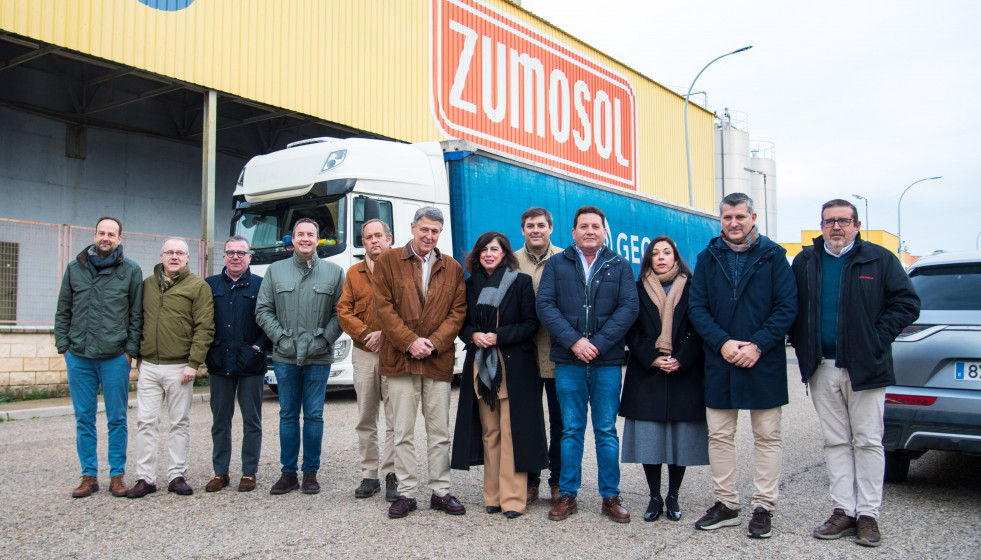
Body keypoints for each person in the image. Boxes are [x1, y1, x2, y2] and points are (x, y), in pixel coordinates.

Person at [790, 199, 920, 548]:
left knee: (867, 441)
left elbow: (907, 303)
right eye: (829, 221)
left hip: (866, 366)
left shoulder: (879, 259)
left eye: (843, 221)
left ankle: (868, 515)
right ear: (821, 225)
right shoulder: (806, 261)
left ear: (856, 225)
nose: (836, 227)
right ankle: (843, 510)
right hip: (822, 366)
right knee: (835, 442)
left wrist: (876, 338)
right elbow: (791, 306)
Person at [688, 192, 797, 538]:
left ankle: (764, 506)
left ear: (753, 217)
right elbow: (697, 308)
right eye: (727, 218)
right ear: (720, 220)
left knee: (767, 436)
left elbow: (786, 307)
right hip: (721, 359)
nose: (733, 223)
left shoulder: (774, 256)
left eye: (740, 217)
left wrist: (759, 345)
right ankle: (727, 504)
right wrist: (722, 342)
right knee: (720, 436)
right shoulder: (708, 258)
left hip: (762, 360)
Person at [536, 205, 638, 523]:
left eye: (596, 225)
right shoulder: (556, 264)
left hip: (606, 362)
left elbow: (628, 307)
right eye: (584, 226)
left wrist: (598, 344)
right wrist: (575, 342)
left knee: (606, 430)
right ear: (573, 232)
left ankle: (610, 497)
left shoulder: (619, 265)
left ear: (604, 231)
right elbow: (546, 305)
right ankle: (567, 495)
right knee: (571, 431)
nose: (590, 230)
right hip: (569, 360)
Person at [373, 206, 467, 519]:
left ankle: (441, 491)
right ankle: (407, 492)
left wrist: (435, 343)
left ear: (440, 234)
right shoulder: (388, 261)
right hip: (400, 360)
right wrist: (410, 342)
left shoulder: (452, 268)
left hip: (437, 362)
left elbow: (458, 312)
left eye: (435, 231)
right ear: (412, 227)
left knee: (439, 432)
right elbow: (383, 308)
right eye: (424, 229)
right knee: (402, 431)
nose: (429, 236)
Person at [451, 232, 548, 519]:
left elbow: (531, 324)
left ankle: (514, 498)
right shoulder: (469, 285)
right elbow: (462, 324)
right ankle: (492, 496)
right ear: (477, 254)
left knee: (511, 431)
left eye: (495, 249)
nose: (488, 254)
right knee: (490, 432)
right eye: (484, 249)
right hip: (481, 367)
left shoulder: (520, 282)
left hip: (514, 366)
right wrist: (473, 335)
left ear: (506, 254)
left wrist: (498, 336)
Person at [621, 236, 708, 522]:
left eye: (666, 252)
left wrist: (682, 358)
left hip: (684, 370)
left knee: (679, 439)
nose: (661, 257)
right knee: (650, 438)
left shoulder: (694, 288)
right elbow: (630, 329)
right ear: (648, 259)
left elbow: (701, 326)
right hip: (647, 372)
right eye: (655, 253)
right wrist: (651, 357)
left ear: (676, 257)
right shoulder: (635, 289)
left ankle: (673, 496)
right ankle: (654, 496)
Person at [55, 216, 143, 499]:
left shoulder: (130, 271)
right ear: (94, 235)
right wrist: (64, 346)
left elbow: (136, 315)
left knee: (117, 418)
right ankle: (88, 475)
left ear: (119, 239)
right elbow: (63, 311)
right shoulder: (74, 269)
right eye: (101, 233)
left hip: (115, 357)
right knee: (84, 418)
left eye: (111, 234)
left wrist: (130, 351)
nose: (106, 238)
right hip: (79, 356)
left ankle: (117, 475)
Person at [256, 218, 344, 496]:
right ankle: (287, 473)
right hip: (285, 356)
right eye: (300, 234)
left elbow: (341, 312)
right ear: (291, 239)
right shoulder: (275, 270)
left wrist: (323, 340)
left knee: (315, 416)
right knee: (288, 415)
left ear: (318, 239)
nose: (305, 238)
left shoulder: (334, 272)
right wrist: (281, 338)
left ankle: (310, 473)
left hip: (318, 357)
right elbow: (263, 310)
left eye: (311, 234)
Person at [127, 237, 215, 498]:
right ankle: (146, 478)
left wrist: (193, 363)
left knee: (179, 422)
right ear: (161, 256)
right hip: (150, 367)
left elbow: (204, 327)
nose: (174, 257)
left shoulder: (197, 287)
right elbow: (138, 320)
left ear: (188, 258)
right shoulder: (148, 285)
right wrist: (138, 356)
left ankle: (177, 475)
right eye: (170, 252)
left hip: (180, 368)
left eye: (180, 253)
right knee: (146, 422)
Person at [337, 219, 398, 501]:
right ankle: (369, 475)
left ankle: (392, 475)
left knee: (395, 417)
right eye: (368, 237)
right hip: (364, 353)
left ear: (390, 238)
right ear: (363, 243)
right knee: (365, 417)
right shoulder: (354, 273)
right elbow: (344, 311)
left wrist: (385, 335)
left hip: (394, 352)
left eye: (378, 236)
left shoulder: (402, 271)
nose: (374, 241)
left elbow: (409, 311)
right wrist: (365, 333)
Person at [203, 236, 269, 493]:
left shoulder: (261, 285)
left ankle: (249, 472)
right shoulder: (209, 286)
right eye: (230, 252)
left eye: (241, 253)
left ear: (249, 257)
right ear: (223, 257)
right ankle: (220, 472)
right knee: (220, 420)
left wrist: (258, 347)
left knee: (252, 420)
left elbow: (269, 320)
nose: (235, 257)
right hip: (219, 363)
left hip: (250, 364)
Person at [514, 207, 564, 504]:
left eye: (541, 225)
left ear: (550, 228)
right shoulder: (512, 261)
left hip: (559, 355)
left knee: (561, 423)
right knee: (527, 421)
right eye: (530, 225)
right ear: (523, 230)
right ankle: (530, 480)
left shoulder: (564, 258)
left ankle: (557, 480)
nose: (535, 230)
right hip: (523, 356)